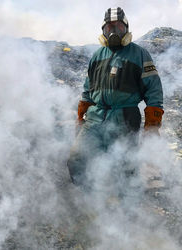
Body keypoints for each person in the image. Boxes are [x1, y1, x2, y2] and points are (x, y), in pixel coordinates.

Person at [67, 7, 164, 190]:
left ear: (126, 29)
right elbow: (88, 89)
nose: (113, 32)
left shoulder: (140, 54)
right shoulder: (97, 56)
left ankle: (124, 205)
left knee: (124, 165)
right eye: (109, 27)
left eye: (118, 27)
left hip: (125, 116)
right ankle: (86, 197)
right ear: (103, 30)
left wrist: (152, 125)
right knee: (77, 158)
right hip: (96, 115)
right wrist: (81, 116)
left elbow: (154, 90)